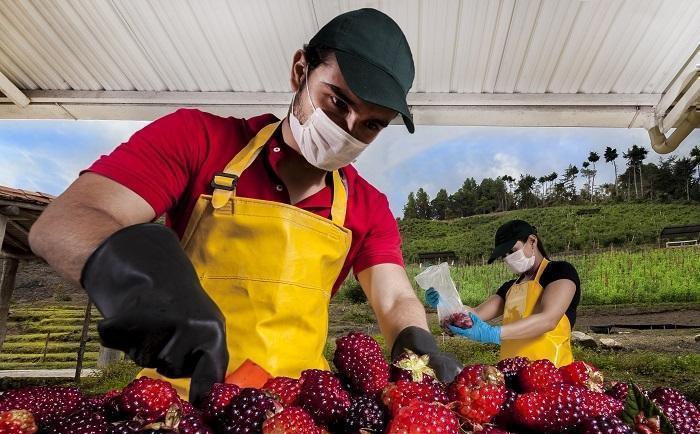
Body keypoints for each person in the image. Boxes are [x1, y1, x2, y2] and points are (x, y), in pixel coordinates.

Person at [29, 8, 461, 405]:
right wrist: (147, 286)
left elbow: (394, 297)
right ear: (299, 71)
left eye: (370, 125)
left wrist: (415, 341)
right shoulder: (196, 138)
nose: (346, 129)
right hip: (177, 407)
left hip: (296, 416)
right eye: (337, 101)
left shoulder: (369, 205)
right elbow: (66, 221)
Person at [426, 220, 579, 367]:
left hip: (554, 376)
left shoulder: (559, 271)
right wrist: (445, 302)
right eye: (504, 256)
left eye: (512, 251)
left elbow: (549, 319)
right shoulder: (509, 288)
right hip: (513, 375)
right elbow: (476, 313)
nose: (508, 259)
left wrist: (494, 333)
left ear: (532, 241)